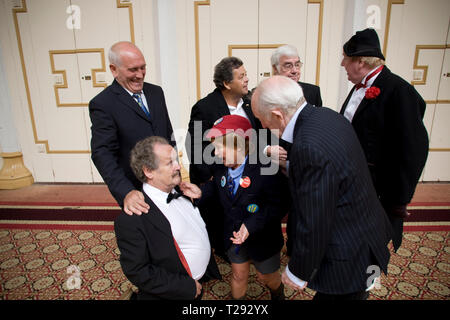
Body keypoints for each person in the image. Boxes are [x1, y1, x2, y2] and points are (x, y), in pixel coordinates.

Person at [251, 75, 393, 300]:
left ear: (277, 114)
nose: (262, 126)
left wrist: (299, 270)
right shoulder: (326, 115)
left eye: (261, 119)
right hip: (366, 229)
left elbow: (315, 217)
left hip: (349, 250)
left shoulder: (308, 146)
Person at [340, 28, 429, 251]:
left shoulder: (400, 91)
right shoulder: (358, 88)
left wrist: (399, 201)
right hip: (353, 184)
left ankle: (365, 278)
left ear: (360, 62)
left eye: (346, 59)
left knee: (371, 244)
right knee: (352, 239)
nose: (343, 64)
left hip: (378, 190)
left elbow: (413, 150)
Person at [185, 115, 289, 300]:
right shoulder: (219, 167)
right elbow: (215, 186)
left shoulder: (266, 168)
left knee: (266, 277)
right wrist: (200, 193)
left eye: (218, 147)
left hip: (263, 239)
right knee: (238, 275)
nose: (215, 153)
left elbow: (278, 205)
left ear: (239, 145)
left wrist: (250, 225)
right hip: (234, 236)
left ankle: (277, 292)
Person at [114, 136, 221, 300]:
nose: (178, 166)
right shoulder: (132, 219)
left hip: (199, 280)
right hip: (176, 293)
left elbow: (194, 226)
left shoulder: (181, 193)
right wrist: (185, 287)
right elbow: (138, 271)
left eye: (176, 160)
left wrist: (199, 198)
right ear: (148, 171)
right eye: (170, 163)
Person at [186, 57, 268, 258]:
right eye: (241, 77)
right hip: (219, 175)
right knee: (221, 218)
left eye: (246, 75)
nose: (247, 80)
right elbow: (195, 145)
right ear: (226, 83)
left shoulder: (250, 104)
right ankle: (224, 250)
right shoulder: (205, 107)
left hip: (247, 173)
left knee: (247, 212)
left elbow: (258, 137)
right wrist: (212, 176)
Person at [89, 41, 174, 216]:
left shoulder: (156, 92)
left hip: (166, 182)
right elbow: (102, 153)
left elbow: (168, 134)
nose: (140, 75)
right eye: (133, 70)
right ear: (114, 69)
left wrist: (176, 172)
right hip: (136, 188)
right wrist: (125, 191)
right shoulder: (102, 104)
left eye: (143, 68)